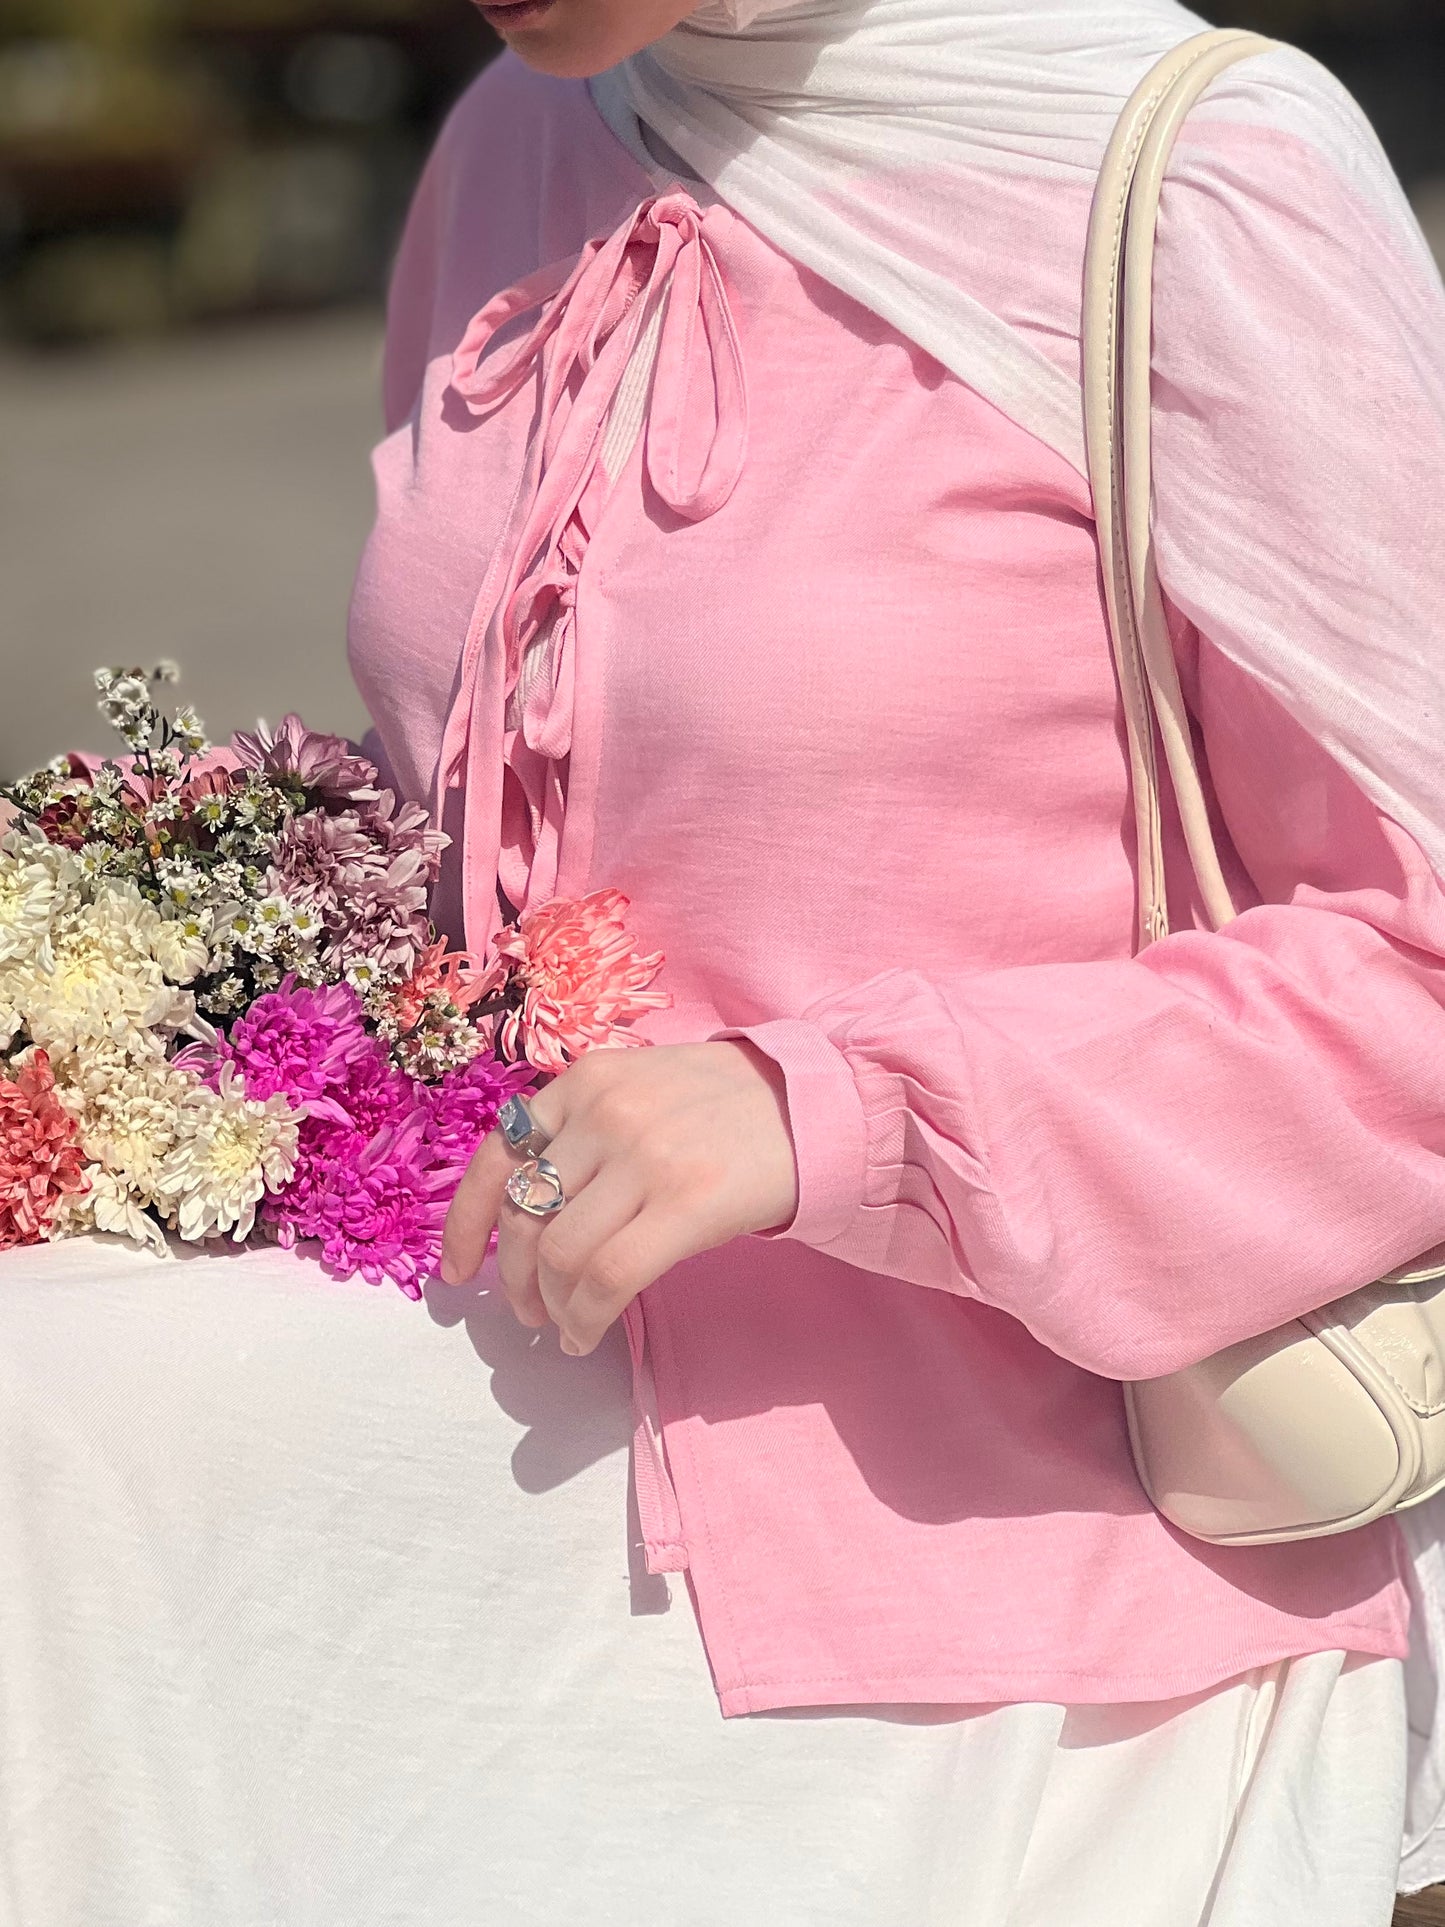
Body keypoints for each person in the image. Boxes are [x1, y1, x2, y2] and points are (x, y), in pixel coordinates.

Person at [4, 0, 1445, 1921]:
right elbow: (507, 781)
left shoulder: (1198, 174)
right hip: (500, 1317)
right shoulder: (518, 131)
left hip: (1019, 1488)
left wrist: (830, 1111)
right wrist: (145, 932)